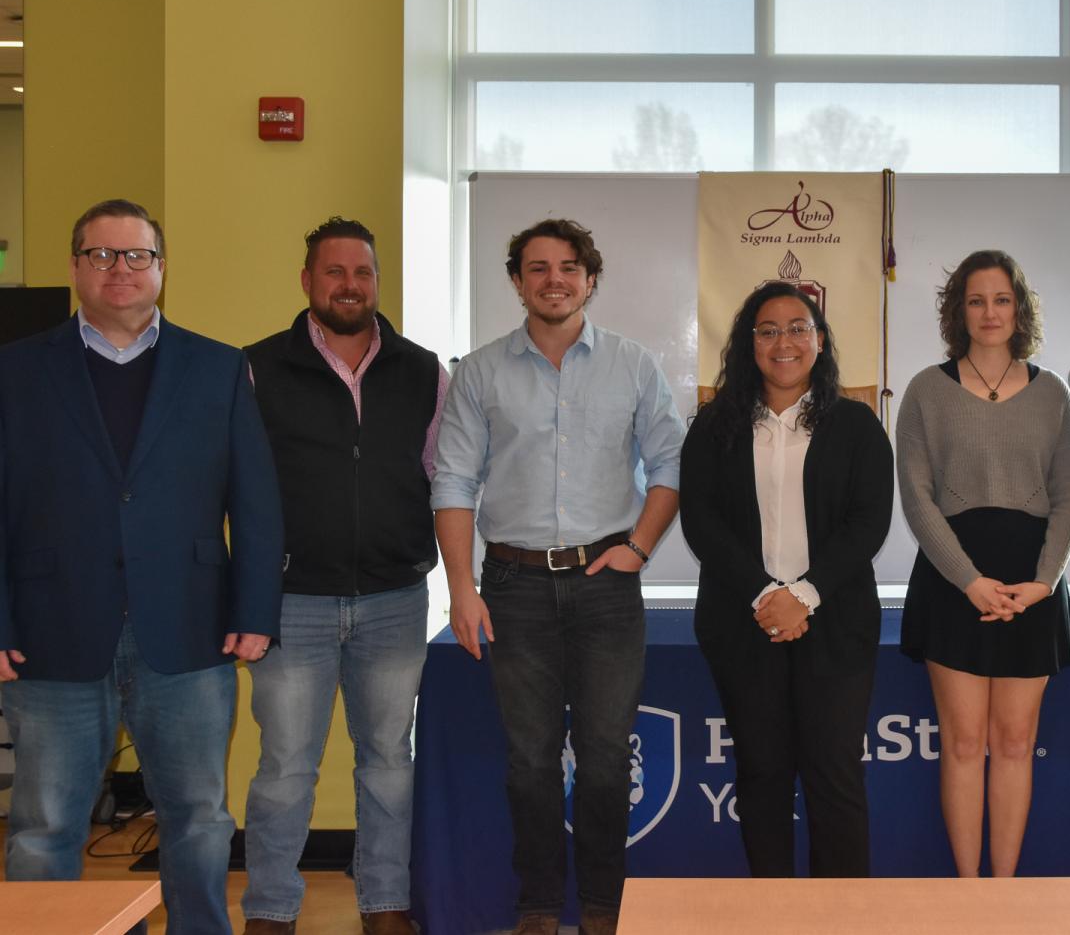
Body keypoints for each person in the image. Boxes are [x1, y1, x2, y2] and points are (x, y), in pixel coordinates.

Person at [0, 199, 283, 934]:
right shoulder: (17, 370)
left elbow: (254, 498)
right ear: (74, 267)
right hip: (50, 629)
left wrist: (255, 610)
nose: (117, 269)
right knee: (43, 824)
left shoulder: (218, 367)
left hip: (187, 628)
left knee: (197, 817)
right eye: (100, 254)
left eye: (135, 256)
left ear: (161, 268)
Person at [431, 218, 685, 935]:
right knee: (531, 761)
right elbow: (452, 480)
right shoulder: (479, 372)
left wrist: (637, 546)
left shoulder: (633, 365)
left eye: (569, 267)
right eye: (537, 268)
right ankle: (539, 906)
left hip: (607, 583)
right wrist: (461, 588)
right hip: (513, 587)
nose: (554, 279)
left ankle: (605, 908)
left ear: (591, 278)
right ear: (517, 281)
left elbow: (670, 464)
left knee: (606, 760)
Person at [240, 219, 447, 935]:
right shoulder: (258, 368)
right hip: (291, 601)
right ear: (307, 280)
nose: (349, 285)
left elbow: (443, 482)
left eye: (362, 272)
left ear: (377, 281)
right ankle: (271, 908)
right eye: (334, 271)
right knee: (286, 767)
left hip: (394, 597)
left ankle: (385, 902)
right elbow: (231, 485)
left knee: (390, 760)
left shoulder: (424, 371)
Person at [680, 282, 893, 878]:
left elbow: (868, 521)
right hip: (742, 623)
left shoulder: (855, 424)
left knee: (835, 775)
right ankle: (772, 911)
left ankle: (840, 918)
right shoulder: (715, 424)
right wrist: (765, 595)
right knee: (762, 772)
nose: (784, 341)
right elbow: (702, 522)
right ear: (749, 344)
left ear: (819, 341)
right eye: (768, 329)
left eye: (798, 327)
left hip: (836, 623)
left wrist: (802, 594)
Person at [897, 250, 1070, 877]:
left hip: (1032, 586)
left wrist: (1046, 582)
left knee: (1013, 745)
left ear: (1019, 309)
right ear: (959, 311)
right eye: (976, 300)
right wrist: (969, 581)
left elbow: (1068, 496)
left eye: (1001, 299)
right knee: (965, 744)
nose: (990, 312)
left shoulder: (1054, 392)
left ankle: (1004, 894)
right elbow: (917, 500)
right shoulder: (926, 389)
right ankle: (969, 895)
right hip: (955, 584)